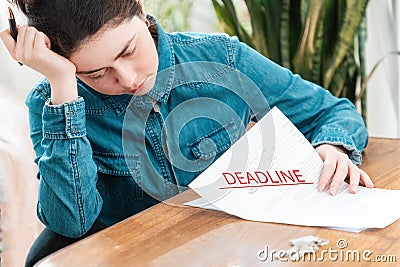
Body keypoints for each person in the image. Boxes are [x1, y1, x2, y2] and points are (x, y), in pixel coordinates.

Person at [0, 0, 374, 266]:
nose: (127, 79)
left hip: (228, 250)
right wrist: (65, 88)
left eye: (128, 50)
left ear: (141, 9)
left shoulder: (222, 59)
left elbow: (331, 111)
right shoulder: (52, 103)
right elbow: (71, 222)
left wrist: (334, 146)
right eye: (97, 74)